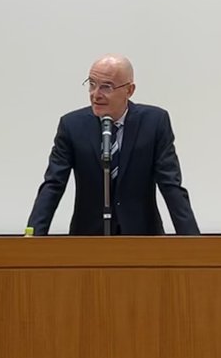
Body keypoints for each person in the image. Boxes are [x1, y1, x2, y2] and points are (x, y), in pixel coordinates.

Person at [26, 55, 200, 235]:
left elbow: (170, 184)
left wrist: (192, 240)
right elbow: (53, 184)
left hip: (142, 237)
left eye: (106, 87)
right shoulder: (72, 126)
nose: (96, 94)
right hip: (88, 237)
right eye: (92, 84)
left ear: (129, 90)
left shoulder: (154, 123)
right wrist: (32, 235)